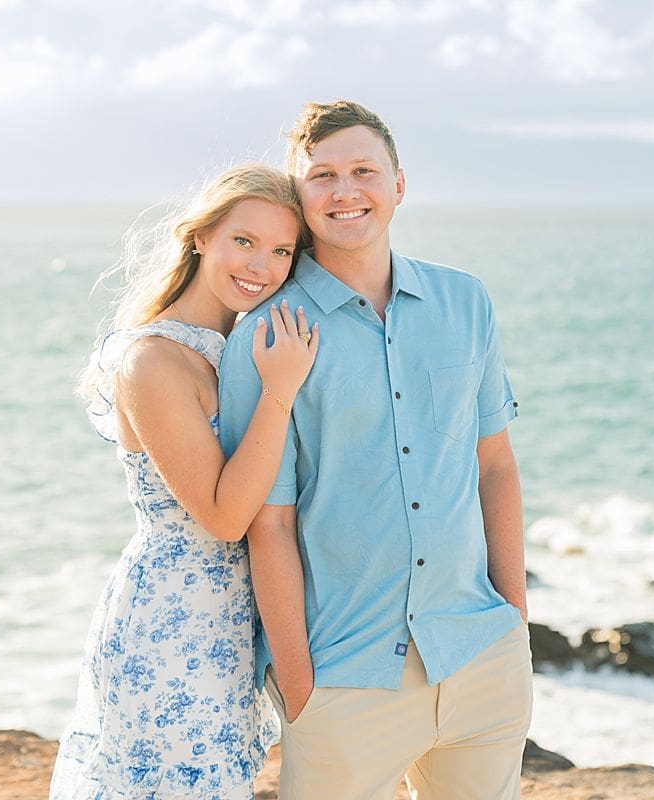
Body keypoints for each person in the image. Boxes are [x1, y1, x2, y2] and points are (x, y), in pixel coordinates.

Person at [218, 101, 533, 799]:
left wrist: (514, 622)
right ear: (301, 200)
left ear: (398, 184)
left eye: (363, 170)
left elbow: (495, 466)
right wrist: (301, 688)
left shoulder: (465, 302)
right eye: (322, 176)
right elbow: (266, 523)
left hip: (480, 655)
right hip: (344, 678)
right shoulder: (267, 337)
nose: (345, 190)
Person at [50, 165, 320, 800]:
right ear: (200, 237)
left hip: (231, 626)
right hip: (170, 624)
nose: (262, 264)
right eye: (244, 241)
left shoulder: (239, 343)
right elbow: (224, 517)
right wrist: (280, 391)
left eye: (282, 250)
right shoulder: (154, 361)